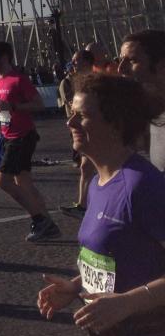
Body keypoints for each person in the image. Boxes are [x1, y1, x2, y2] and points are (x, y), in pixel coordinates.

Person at [37, 73, 165, 336]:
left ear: (114, 122)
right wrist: (75, 286)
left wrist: (127, 303)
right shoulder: (96, 182)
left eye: (81, 116)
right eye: (70, 114)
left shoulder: (144, 186)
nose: (70, 124)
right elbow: (115, 255)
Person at [0, 41, 60, 241]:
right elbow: (4, 111)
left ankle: (39, 220)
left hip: (21, 137)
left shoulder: (18, 79)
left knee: (2, 181)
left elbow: (39, 105)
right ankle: (48, 224)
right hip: (9, 136)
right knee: (24, 183)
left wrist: (13, 105)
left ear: (4, 57)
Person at [116, 29, 165, 172]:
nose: (120, 69)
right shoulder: (149, 115)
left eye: (132, 60)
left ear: (162, 66)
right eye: (120, 60)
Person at [59, 49, 97, 216]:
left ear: (88, 62)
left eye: (76, 60)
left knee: (93, 166)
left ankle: (88, 204)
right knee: (85, 166)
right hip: (81, 126)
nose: (73, 63)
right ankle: (83, 205)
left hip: (95, 127)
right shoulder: (75, 81)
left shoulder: (95, 81)